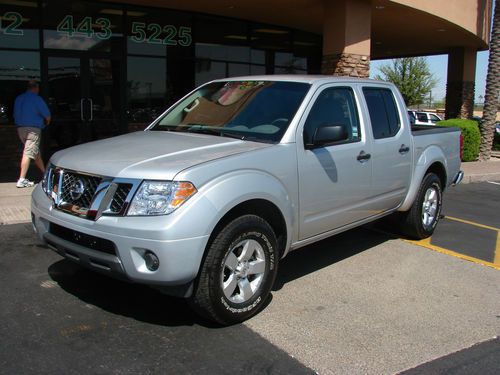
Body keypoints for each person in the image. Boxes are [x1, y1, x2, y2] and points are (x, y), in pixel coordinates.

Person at [13, 80, 51, 188]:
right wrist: (47, 123)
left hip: (20, 129)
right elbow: (47, 115)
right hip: (33, 129)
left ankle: (45, 175)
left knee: (35, 152)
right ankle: (22, 179)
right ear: (35, 88)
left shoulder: (19, 98)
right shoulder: (36, 98)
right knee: (28, 153)